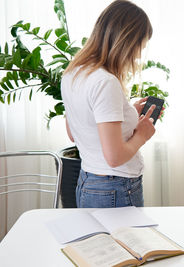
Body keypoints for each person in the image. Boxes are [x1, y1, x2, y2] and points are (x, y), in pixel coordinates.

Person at [61, 0, 156, 208]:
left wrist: (127, 111)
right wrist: (142, 135)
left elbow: (75, 132)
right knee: (124, 242)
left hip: (88, 182)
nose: (139, 54)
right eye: (141, 46)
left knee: (98, 241)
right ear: (128, 41)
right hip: (115, 187)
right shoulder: (106, 82)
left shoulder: (73, 74)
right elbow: (114, 157)